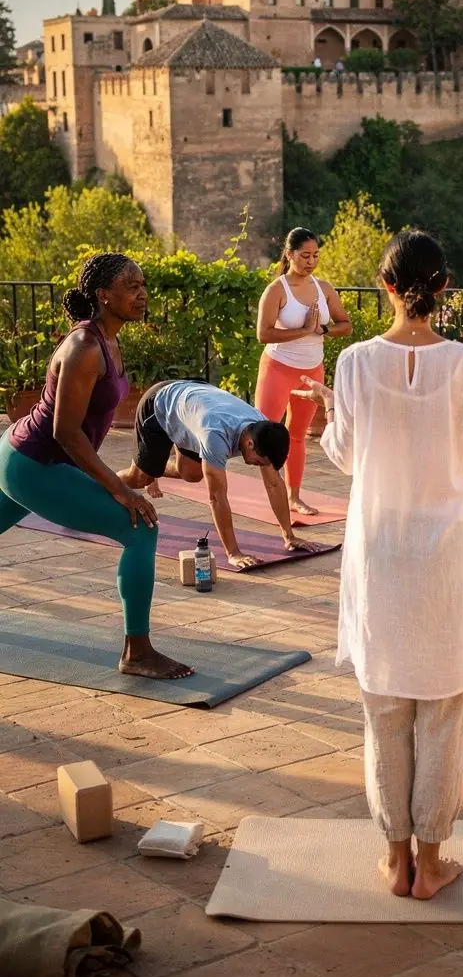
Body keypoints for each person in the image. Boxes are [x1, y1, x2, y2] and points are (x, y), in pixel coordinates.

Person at [296, 230, 463, 900]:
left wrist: (331, 411)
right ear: (443, 288)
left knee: (383, 707)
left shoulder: (354, 362)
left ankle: (394, 859)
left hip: (380, 548)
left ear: (386, 286)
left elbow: (345, 456)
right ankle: (432, 864)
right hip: (445, 553)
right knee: (441, 709)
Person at [0, 254, 192, 680]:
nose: (142, 294)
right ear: (103, 295)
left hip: (25, 457)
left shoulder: (108, 340)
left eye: (143, 285)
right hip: (34, 463)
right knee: (140, 528)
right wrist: (119, 489)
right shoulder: (85, 347)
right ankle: (137, 653)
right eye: (131, 286)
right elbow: (66, 433)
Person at [119, 379, 322, 571]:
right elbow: (216, 498)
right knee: (140, 479)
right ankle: (106, 480)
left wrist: (289, 536)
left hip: (193, 405)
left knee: (191, 474)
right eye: (260, 461)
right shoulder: (216, 437)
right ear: (250, 443)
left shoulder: (263, 429)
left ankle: (154, 467)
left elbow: (274, 484)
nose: (260, 466)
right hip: (160, 404)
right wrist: (233, 553)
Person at [254, 227, 351, 516]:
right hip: (277, 368)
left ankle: (293, 497)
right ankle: (273, 495)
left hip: (311, 371)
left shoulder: (325, 289)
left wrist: (323, 329)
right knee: (264, 435)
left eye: (316, 255)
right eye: (305, 255)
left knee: (297, 435)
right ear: (289, 255)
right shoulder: (276, 290)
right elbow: (263, 334)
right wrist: (304, 330)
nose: (311, 261)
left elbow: (345, 325)